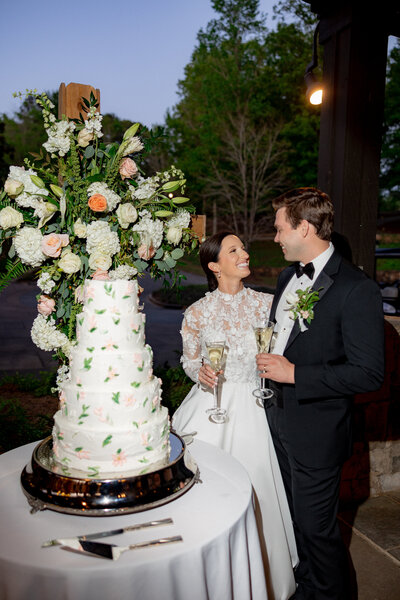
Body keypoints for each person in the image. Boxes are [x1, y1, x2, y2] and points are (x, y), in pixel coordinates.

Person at [257, 188, 384, 600]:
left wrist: (297, 374)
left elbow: (369, 374)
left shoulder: (356, 289)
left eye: (279, 229)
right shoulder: (284, 277)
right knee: (295, 522)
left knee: (318, 528)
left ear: (304, 227)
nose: (276, 238)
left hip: (316, 429)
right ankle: (307, 586)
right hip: (276, 418)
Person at [173, 231, 298, 600]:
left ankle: (260, 580)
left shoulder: (267, 304)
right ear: (215, 266)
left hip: (258, 409)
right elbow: (189, 358)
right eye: (234, 250)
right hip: (212, 408)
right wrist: (200, 372)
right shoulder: (197, 313)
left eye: (242, 247)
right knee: (209, 493)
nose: (244, 253)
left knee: (258, 490)